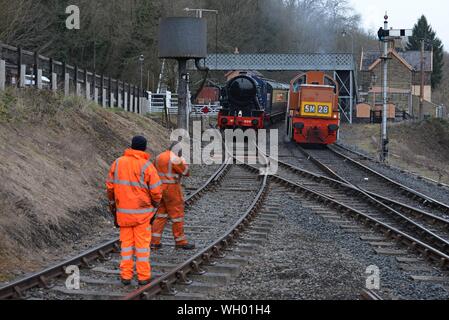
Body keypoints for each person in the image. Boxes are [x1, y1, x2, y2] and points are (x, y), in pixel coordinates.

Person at [106, 136, 162, 286]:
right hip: (142, 216)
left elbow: (110, 188)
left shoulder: (117, 163)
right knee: (142, 247)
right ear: (144, 148)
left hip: (123, 215)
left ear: (130, 146)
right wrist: (155, 205)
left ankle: (126, 276)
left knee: (126, 246)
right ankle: (143, 277)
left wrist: (113, 207)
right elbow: (157, 191)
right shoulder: (147, 166)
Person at [151, 143, 195, 250]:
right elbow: (186, 172)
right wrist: (183, 161)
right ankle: (180, 242)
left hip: (159, 188)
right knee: (177, 216)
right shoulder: (175, 158)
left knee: (161, 215)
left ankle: (154, 242)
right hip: (172, 189)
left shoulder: (159, 157)